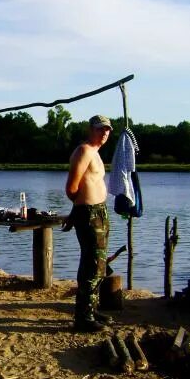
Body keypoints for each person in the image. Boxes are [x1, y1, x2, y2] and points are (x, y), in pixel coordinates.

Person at [65, 114, 113, 332]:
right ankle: (83, 317)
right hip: (90, 214)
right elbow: (71, 189)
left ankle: (91, 310)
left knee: (100, 265)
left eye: (107, 130)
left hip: (99, 213)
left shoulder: (95, 152)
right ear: (90, 129)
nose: (104, 133)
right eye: (100, 129)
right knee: (92, 265)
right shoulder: (84, 151)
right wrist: (81, 210)